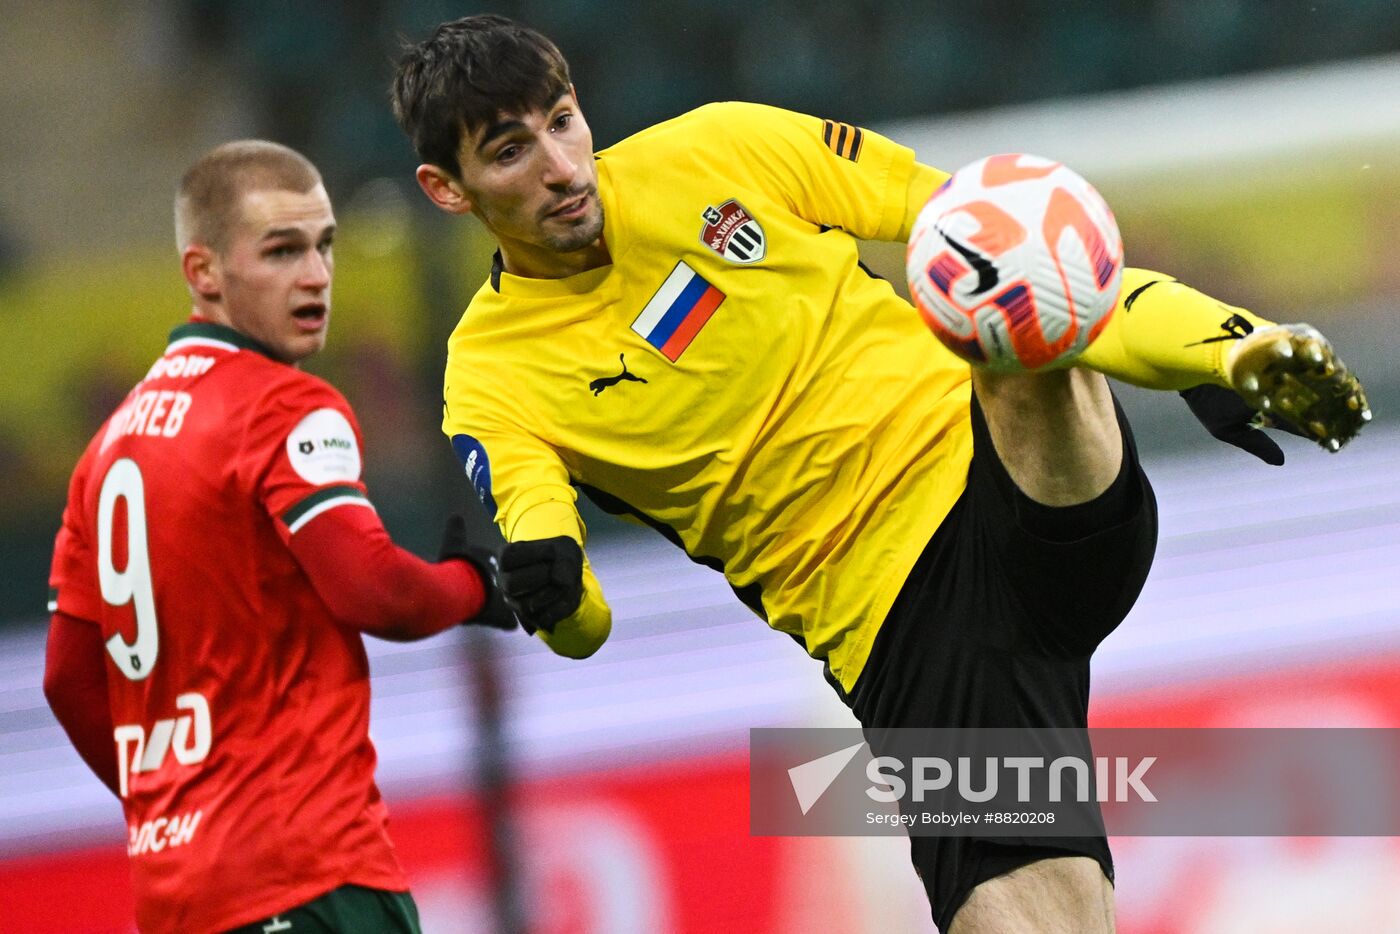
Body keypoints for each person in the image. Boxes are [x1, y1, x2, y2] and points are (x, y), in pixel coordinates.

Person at [390, 15, 1370, 933]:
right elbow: (578, 615)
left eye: (562, 121)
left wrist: (1206, 348)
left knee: (1001, 306)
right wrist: (551, 591)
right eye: (512, 150)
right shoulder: (491, 380)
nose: (564, 168)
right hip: (906, 641)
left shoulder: (722, 148)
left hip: (1003, 477)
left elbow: (985, 228)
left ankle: (1233, 345)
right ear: (449, 187)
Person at [43, 140, 510, 934]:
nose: (317, 275)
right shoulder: (284, 406)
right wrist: (476, 584)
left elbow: (68, 677)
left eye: (324, 245)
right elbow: (370, 588)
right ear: (204, 273)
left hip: (180, 893)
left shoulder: (109, 446)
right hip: (312, 873)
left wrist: (176, 801)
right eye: (282, 251)